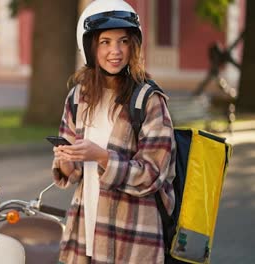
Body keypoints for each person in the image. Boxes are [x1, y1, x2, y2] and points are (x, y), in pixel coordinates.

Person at [51, 1, 176, 263]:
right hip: (85, 233)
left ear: (134, 46)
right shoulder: (78, 97)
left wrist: (102, 157)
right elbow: (73, 173)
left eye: (123, 41)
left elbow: (152, 175)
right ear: (90, 47)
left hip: (132, 239)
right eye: (105, 42)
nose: (115, 51)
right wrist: (64, 160)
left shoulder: (149, 100)